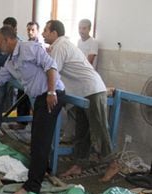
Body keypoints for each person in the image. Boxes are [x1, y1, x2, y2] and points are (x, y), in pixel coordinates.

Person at [0, 26, 65, 194]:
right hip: (40, 97)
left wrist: (51, 91)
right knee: (40, 139)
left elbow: (51, 66)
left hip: (51, 95)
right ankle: (42, 171)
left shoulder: (29, 48)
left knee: (40, 141)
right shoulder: (10, 62)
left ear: (8, 40)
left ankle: (32, 186)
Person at [42, 20, 118, 182]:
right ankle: (79, 164)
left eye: (46, 31)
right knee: (81, 131)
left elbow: (53, 71)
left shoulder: (60, 45)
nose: (43, 33)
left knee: (99, 129)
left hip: (92, 90)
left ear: (55, 33)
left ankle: (113, 164)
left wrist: (49, 91)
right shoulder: (59, 46)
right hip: (81, 92)